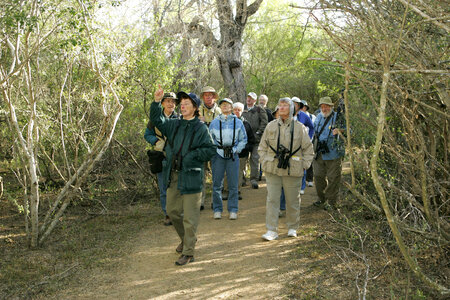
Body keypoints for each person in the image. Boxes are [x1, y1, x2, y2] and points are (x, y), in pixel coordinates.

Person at [150, 86, 216, 266]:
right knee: (172, 211)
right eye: (182, 103)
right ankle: (187, 240)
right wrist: (157, 102)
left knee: (190, 217)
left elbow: (210, 149)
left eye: (187, 104)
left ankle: (188, 252)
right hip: (175, 175)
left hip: (192, 177)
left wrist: (192, 156)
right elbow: (157, 120)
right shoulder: (175, 124)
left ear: (195, 108)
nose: (183, 106)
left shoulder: (201, 128)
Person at [258, 97, 314, 241]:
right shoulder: (270, 126)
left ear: (291, 109)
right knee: (272, 199)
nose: (281, 108)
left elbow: (308, 149)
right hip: (273, 168)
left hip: (293, 169)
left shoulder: (299, 127)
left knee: (293, 200)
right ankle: (271, 230)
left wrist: (304, 165)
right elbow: (262, 148)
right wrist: (264, 162)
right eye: (280, 105)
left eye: (285, 105)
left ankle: (292, 227)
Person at [209, 98, 247, 220]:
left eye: (227, 105)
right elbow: (210, 139)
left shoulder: (238, 122)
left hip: (232, 155)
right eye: (222, 105)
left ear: (231, 107)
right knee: (216, 184)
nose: (225, 107)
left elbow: (243, 139)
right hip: (218, 155)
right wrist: (215, 150)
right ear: (220, 107)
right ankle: (217, 209)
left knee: (233, 184)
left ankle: (233, 209)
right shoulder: (214, 122)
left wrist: (236, 150)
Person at [144, 92, 179, 226]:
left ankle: (177, 213)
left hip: (176, 159)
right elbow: (147, 135)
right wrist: (156, 142)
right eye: (168, 101)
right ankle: (168, 214)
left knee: (177, 187)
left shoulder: (179, 118)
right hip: (161, 158)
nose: (171, 104)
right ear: (162, 103)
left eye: (173, 102)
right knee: (164, 188)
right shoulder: (155, 119)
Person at [312, 96, 345, 209]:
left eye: (326, 106)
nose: (324, 108)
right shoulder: (318, 117)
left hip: (334, 152)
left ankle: (331, 202)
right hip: (319, 152)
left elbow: (350, 130)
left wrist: (340, 130)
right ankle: (321, 199)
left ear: (331, 107)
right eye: (322, 106)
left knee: (333, 178)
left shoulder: (338, 117)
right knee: (318, 176)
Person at [199, 86, 222, 210]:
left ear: (214, 97)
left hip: (216, 148)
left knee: (217, 175)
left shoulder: (219, 111)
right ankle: (200, 202)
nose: (208, 97)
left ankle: (215, 201)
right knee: (201, 175)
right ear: (203, 97)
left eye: (210, 95)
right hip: (201, 148)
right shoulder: (197, 110)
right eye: (206, 95)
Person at [242, 92, 268, 189]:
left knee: (255, 159)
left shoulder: (259, 109)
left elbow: (264, 122)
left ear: (255, 100)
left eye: (251, 98)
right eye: (248, 97)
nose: (249, 99)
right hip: (243, 139)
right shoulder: (241, 108)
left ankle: (254, 179)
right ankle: (242, 179)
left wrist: (258, 133)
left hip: (256, 140)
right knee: (242, 159)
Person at [232, 102, 256, 200]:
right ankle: (226, 190)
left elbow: (252, 140)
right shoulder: (227, 122)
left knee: (238, 172)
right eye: (235, 109)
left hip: (242, 154)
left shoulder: (246, 124)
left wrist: (246, 148)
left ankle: (236, 191)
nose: (237, 111)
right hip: (228, 153)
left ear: (242, 111)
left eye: (239, 110)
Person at [291, 97, 314, 195]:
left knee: (302, 165)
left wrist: (309, 139)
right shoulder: (287, 115)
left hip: (301, 145)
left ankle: (302, 186)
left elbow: (312, 127)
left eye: (296, 104)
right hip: (290, 145)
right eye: (293, 103)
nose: (294, 105)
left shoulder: (304, 116)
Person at [300, 99, 315, 187]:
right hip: (300, 142)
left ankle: (310, 179)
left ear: (306, 107)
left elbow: (313, 128)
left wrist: (310, 139)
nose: (302, 108)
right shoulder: (297, 116)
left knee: (310, 160)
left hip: (310, 140)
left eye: (304, 107)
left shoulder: (312, 117)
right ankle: (302, 182)